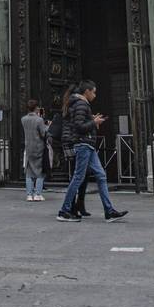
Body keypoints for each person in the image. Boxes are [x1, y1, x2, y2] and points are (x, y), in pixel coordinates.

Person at [56, 80, 127, 223]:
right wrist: (94, 122)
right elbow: (79, 126)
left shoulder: (80, 104)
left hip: (88, 145)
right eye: (93, 92)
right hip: (83, 145)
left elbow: (80, 123)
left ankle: (109, 211)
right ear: (86, 91)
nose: (95, 95)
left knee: (100, 175)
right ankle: (64, 211)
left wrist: (92, 120)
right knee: (78, 177)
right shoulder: (81, 104)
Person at [21, 99, 49, 202]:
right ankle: (38, 194)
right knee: (40, 172)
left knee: (29, 172)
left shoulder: (23, 119)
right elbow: (43, 133)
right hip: (38, 147)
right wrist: (47, 125)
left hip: (28, 147)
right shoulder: (39, 120)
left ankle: (29, 194)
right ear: (37, 108)